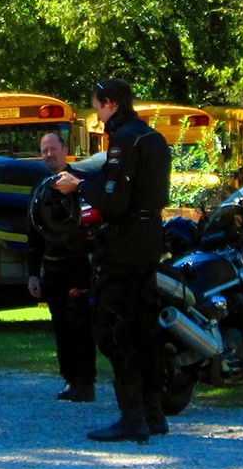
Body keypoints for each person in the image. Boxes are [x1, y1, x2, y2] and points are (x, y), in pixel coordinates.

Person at [54, 79, 172, 443]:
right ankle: (154, 413)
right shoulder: (154, 138)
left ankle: (132, 416)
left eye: (96, 106)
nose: (96, 113)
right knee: (145, 327)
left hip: (124, 243)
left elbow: (114, 200)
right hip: (150, 236)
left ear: (110, 104)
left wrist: (78, 186)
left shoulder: (124, 140)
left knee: (116, 329)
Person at [27, 132, 98, 402]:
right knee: (60, 326)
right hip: (52, 268)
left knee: (80, 325)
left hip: (78, 266)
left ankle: (86, 382)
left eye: (53, 149)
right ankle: (70, 380)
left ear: (65, 150)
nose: (49, 155)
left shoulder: (82, 185)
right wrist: (33, 272)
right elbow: (33, 234)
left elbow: (95, 225)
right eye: (44, 150)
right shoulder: (39, 190)